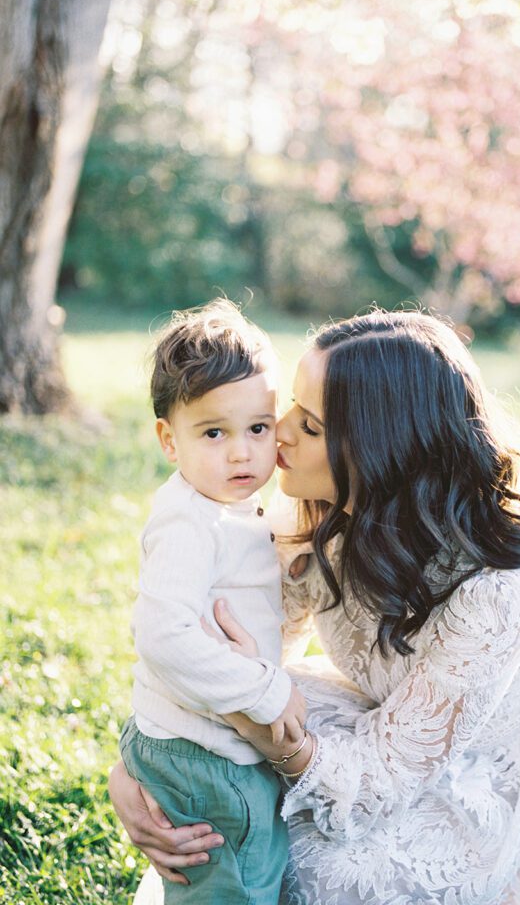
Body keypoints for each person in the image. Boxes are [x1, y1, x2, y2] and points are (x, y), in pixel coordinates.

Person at [110, 309, 520, 905]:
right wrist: (142, 768)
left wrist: (262, 728)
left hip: (492, 751)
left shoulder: (495, 592)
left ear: (380, 450)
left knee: (312, 871)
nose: (276, 433)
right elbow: (199, 646)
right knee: (230, 821)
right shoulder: (308, 513)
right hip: (380, 715)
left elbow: (374, 781)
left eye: (308, 425)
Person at [119, 299, 306, 905]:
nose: (241, 454)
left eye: (258, 428)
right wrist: (265, 690)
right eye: (214, 433)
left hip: (204, 737)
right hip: (207, 757)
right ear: (169, 441)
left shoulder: (224, 508)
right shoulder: (187, 524)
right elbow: (163, 635)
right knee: (240, 882)